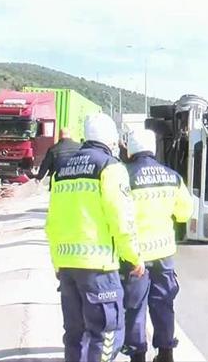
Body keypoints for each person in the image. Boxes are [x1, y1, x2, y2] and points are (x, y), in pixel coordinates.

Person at [45, 113, 144, 362]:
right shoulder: (110, 167)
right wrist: (133, 257)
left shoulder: (63, 170)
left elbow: (52, 223)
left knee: (75, 335)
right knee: (107, 333)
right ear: (111, 140)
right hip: (98, 269)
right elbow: (121, 218)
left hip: (67, 267)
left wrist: (58, 263)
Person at [121, 129, 194, 362]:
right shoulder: (172, 176)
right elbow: (185, 213)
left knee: (135, 307)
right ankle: (165, 354)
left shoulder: (123, 176)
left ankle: (137, 355)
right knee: (163, 304)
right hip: (163, 254)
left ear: (130, 149)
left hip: (135, 256)